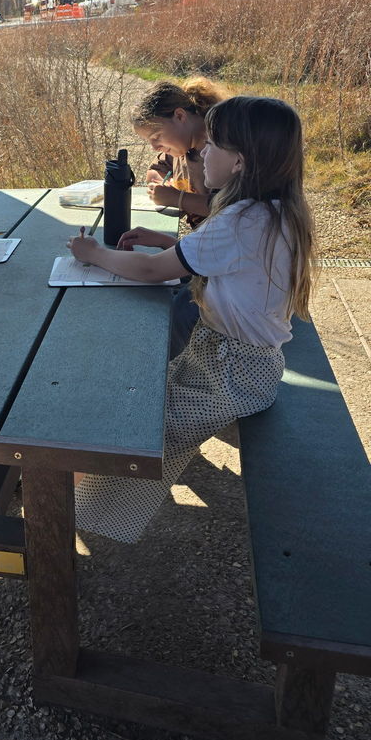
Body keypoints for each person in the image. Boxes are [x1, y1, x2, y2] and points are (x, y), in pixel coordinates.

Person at [67, 96, 314, 543]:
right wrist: (163, 238)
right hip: (241, 364)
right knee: (132, 393)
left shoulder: (240, 219)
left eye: (213, 145)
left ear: (239, 161)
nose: (203, 154)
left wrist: (93, 253)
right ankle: (77, 493)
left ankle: (68, 507)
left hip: (230, 375)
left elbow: (147, 271)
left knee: (130, 423)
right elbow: (222, 260)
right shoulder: (273, 211)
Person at [132, 77, 227, 227]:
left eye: (157, 137)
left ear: (180, 116)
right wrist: (164, 186)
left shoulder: (223, 147)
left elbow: (231, 207)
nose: (154, 147)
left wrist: (178, 198)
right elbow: (155, 170)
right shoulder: (182, 145)